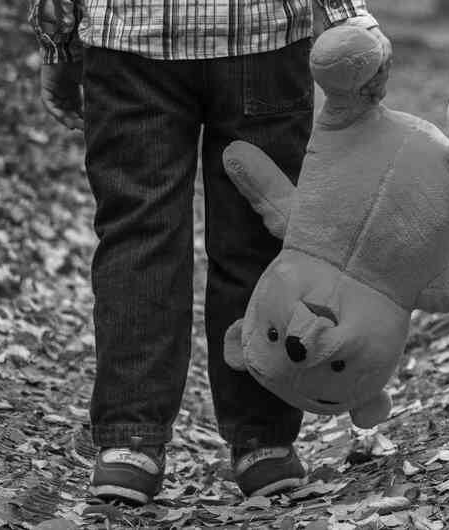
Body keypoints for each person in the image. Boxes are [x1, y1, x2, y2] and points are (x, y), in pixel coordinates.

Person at [28, 0, 391, 504]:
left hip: (131, 39)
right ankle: (263, 443)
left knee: (139, 236)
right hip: (261, 38)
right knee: (259, 236)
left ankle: (130, 446)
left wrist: (58, 42)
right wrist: (350, 18)